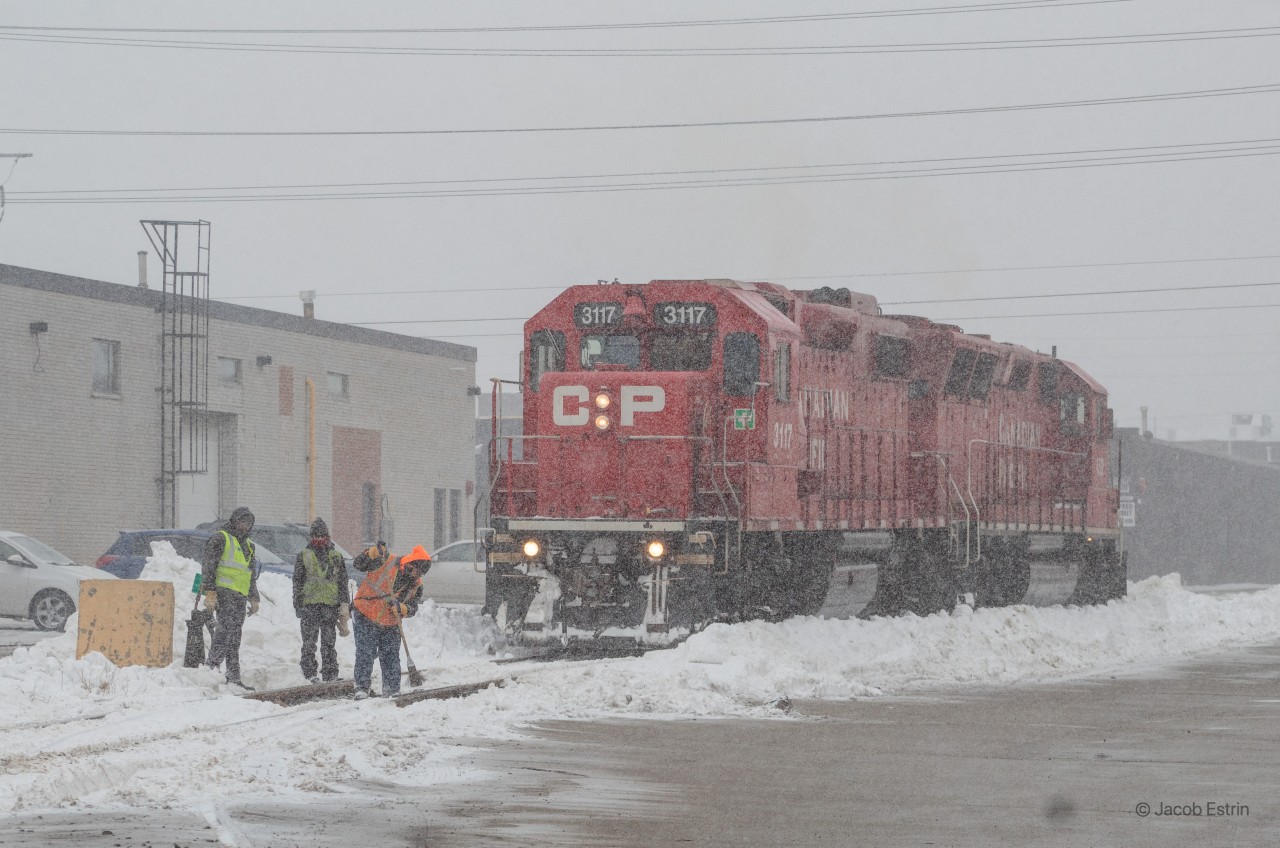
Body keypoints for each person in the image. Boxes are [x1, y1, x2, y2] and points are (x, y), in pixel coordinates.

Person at [350, 543, 430, 699]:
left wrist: (402, 609)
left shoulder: (417, 585)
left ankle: (392, 689)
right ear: (410, 563)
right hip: (365, 613)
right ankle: (361, 687)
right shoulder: (385, 561)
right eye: (416, 570)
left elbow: (413, 607)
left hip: (391, 622)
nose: (416, 575)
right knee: (366, 653)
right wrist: (370, 553)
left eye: (420, 573)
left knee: (391, 655)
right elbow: (358, 564)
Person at [201, 506, 260, 689]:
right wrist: (210, 592)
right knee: (225, 631)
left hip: (239, 596)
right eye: (242, 522)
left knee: (235, 635)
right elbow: (209, 566)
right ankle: (212, 667)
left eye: (248, 523)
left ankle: (233, 676)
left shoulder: (249, 545)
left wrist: (253, 597)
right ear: (234, 521)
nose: (245, 526)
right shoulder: (221, 538)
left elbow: (249, 573)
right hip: (224, 592)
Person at [292, 517, 352, 685]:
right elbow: (297, 581)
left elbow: (342, 583)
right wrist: (297, 603)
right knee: (309, 643)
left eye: (322, 535)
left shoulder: (336, 556)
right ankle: (309, 673)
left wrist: (344, 605)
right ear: (311, 537)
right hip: (310, 606)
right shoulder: (304, 556)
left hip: (329, 607)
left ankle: (330, 673)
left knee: (329, 643)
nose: (318, 539)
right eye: (315, 535)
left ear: (327, 536)